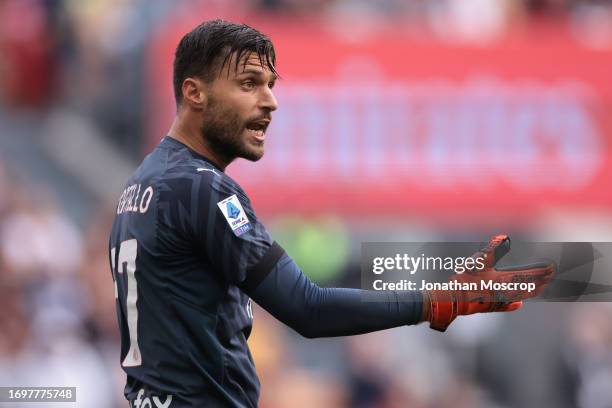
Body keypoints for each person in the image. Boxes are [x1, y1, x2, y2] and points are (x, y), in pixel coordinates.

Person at [108, 19, 554, 408]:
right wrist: (439, 301)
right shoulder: (203, 189)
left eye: (270, 85)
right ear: (195, 92)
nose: (269, 102)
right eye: (248, 84)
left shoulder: (141, 184)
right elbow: (309, 309)